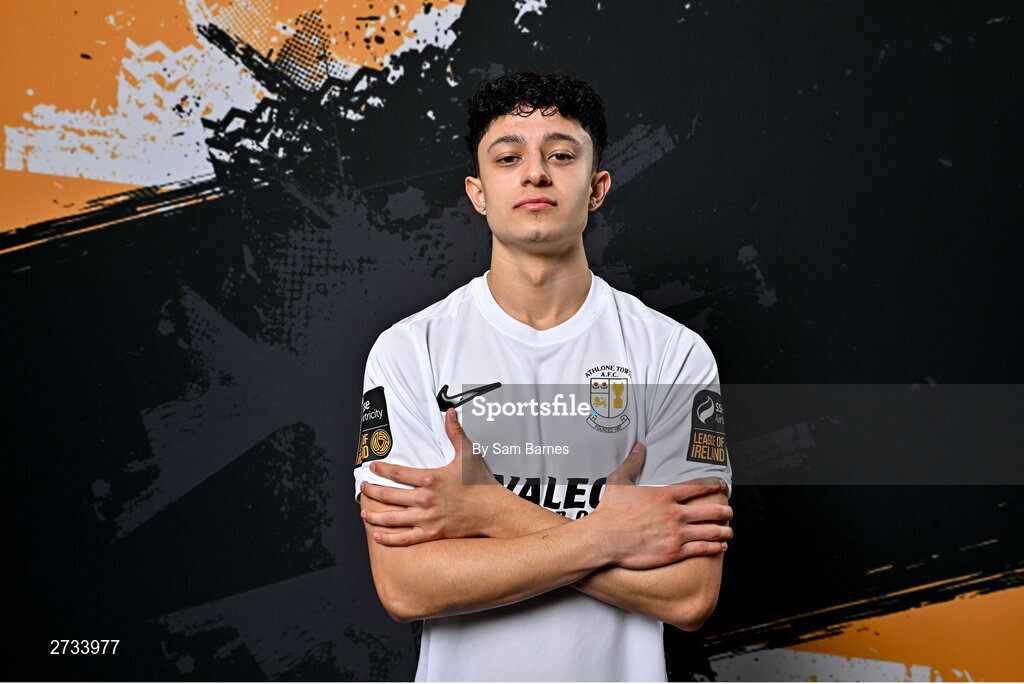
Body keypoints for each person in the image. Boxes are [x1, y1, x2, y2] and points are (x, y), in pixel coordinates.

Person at [353, 72, 733, 682]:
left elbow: (688, 594)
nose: (535, 173)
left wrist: (489, 511)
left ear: (597, 187)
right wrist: (611, 536)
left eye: (561, 155)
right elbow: (406, 586)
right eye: (509, 158)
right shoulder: (409, 351)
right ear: (478, 192)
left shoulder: (672, 355)